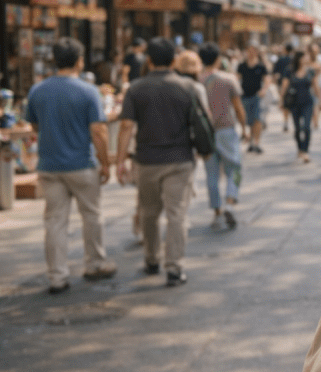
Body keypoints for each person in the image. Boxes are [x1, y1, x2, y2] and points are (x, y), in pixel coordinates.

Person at [25, 38, 117, 294]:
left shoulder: (37, 90)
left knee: (55, 221)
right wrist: (105, 162)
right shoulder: (88, 91)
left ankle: (57, 276)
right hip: (81, 164)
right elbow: (98, 131)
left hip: (49, 165)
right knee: (92, 215)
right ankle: (95, 263)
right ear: (79, 60)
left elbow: (34, 126)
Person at [116, 38, 199, 287]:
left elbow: (126, 126)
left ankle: (151, 259)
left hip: (146, 160)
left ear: (149, 60)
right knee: (177, 215)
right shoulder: (187, 86)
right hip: (180, 160)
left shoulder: (136, 88)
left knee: (149, 212)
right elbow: (200, 122)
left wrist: (120, 161)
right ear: (174, 60)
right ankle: (174, 268)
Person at [199, 43, 247, 230]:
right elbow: (238, 106)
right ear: (218, 59)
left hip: (206, 133)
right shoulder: (228, 79)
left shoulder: (198, 81)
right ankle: (229, 202)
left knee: (211, 174)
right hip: (226, 129)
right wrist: (245, 128)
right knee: (234, 168)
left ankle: (217, 211)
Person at [280, 50, 316, 163]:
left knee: (306, 127)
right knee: (297, 128)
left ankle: (305, 151)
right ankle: (300, 148)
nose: (307, 58)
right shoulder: (290, 70)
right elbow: (284, 86)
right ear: (300, 58)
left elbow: (315, 86)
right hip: (294, 103)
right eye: (305, 56)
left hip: (307, 102)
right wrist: (281, 101)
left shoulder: (310, 71)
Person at [237, 44, 268, 153]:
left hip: (257, 96)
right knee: (249, 120)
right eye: (248, 51)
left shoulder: (261, 66)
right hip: (244, 96)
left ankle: (256, 142)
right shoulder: (242, 66)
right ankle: (251, 142)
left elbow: (267, 79)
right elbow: (236, 78)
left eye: (253, 51)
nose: (250, 53)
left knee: (257, 119)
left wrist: (263, 90)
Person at [272, 43, 294, 132]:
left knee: (285, 103)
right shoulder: (294, 60)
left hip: (282, 84)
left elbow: (274, 72)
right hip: (294, 84)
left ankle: (286, 120)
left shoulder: (280, 59)